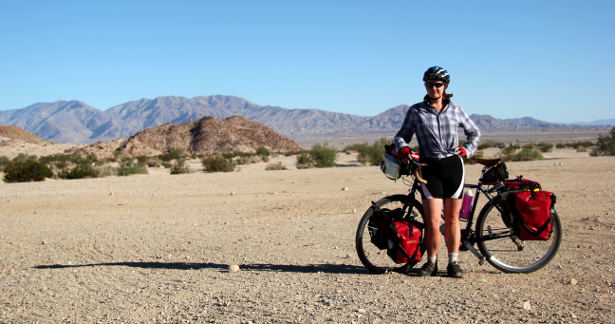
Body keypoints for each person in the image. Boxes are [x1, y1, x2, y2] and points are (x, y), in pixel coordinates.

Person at [394, 66, 480, 278]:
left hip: (453, 167)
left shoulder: (456, 109)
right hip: (428, 168)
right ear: (425, 86)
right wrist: (404, 148)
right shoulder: (416, 111)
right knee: (432, 220)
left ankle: (454, 263)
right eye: (430, 84)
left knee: (452, 219)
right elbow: (400, 136)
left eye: (438, 84)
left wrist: (467, 150)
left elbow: (474, 133)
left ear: (446, 86)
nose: (434, 88)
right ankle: (431, 263)